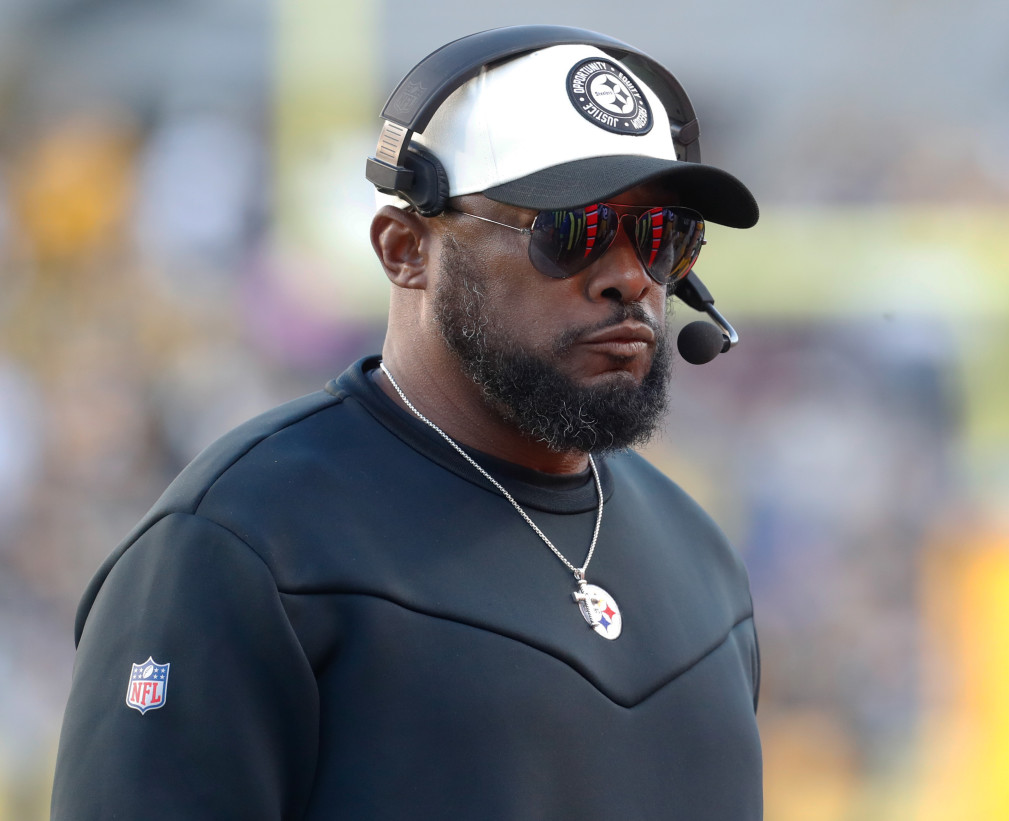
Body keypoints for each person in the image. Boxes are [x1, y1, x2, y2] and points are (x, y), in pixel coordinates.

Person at [51, 26, 763, 820]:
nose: (630, 276)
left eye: (666, 237)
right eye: (574, 231)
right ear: (405, 250)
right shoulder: (244, 540)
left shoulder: (701, 558)